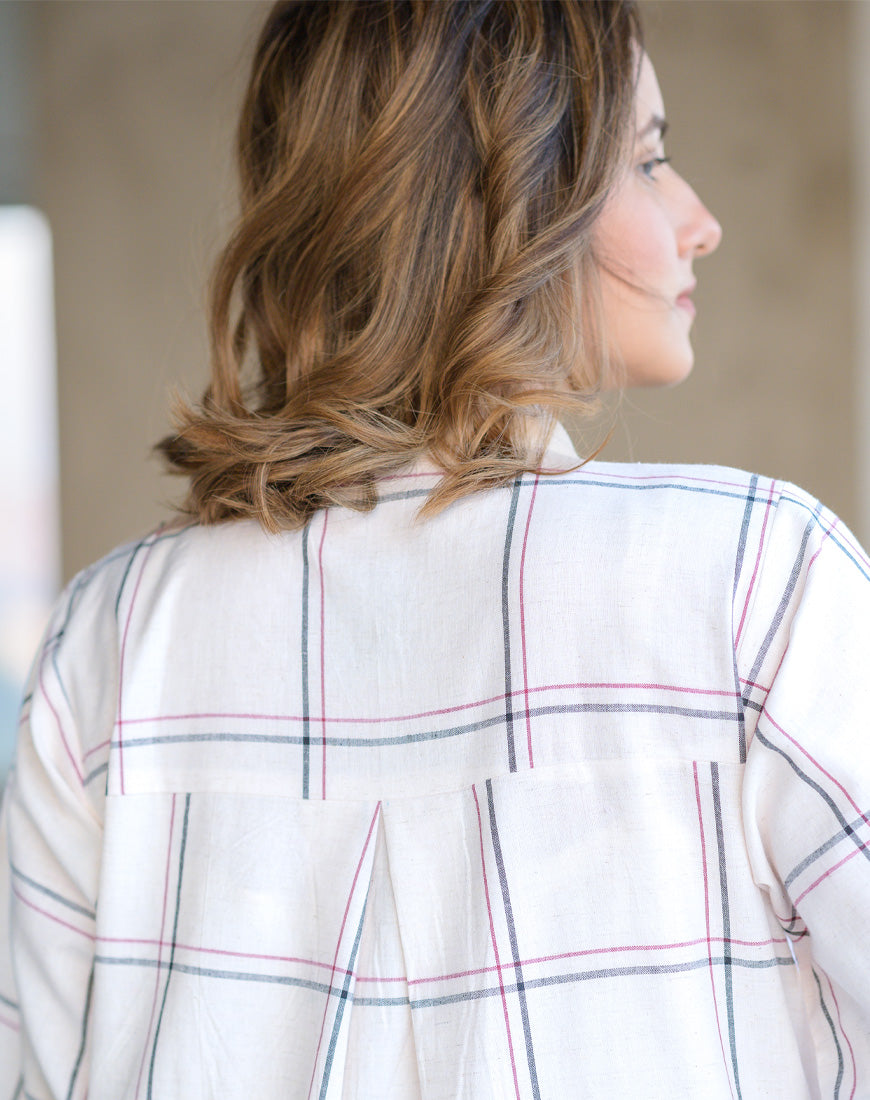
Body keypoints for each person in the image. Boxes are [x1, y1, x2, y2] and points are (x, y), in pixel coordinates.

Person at [1, 1, 868, 1096]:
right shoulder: (759, 582)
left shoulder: (115, 642)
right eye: (647, 160)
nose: (701, 220)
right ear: (507, 209)